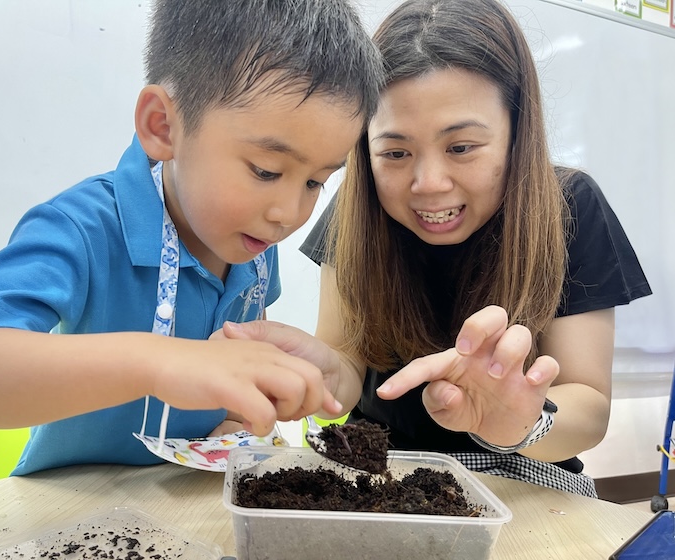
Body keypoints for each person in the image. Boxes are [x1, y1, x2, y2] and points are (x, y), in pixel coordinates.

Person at [220, 0, 651, 496]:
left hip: (520, 478)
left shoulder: (569, 207)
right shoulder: (356, 209)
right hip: (375, 471)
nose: (428, 184)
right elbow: (344, 369)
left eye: (461, 147)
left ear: (518, 131)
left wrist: (521, 423)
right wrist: (314, 374)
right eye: (395, 153)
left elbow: (590, 408)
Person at [0, 0, 386, 475]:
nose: (289, 214)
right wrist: (158, 362)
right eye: (266, 170)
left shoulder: (253, 244)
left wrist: (235, 417)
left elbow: (230, 363)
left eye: (315, 182)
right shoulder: (85, 227)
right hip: (68, 512)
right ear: (162, 125)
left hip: (183, 509)